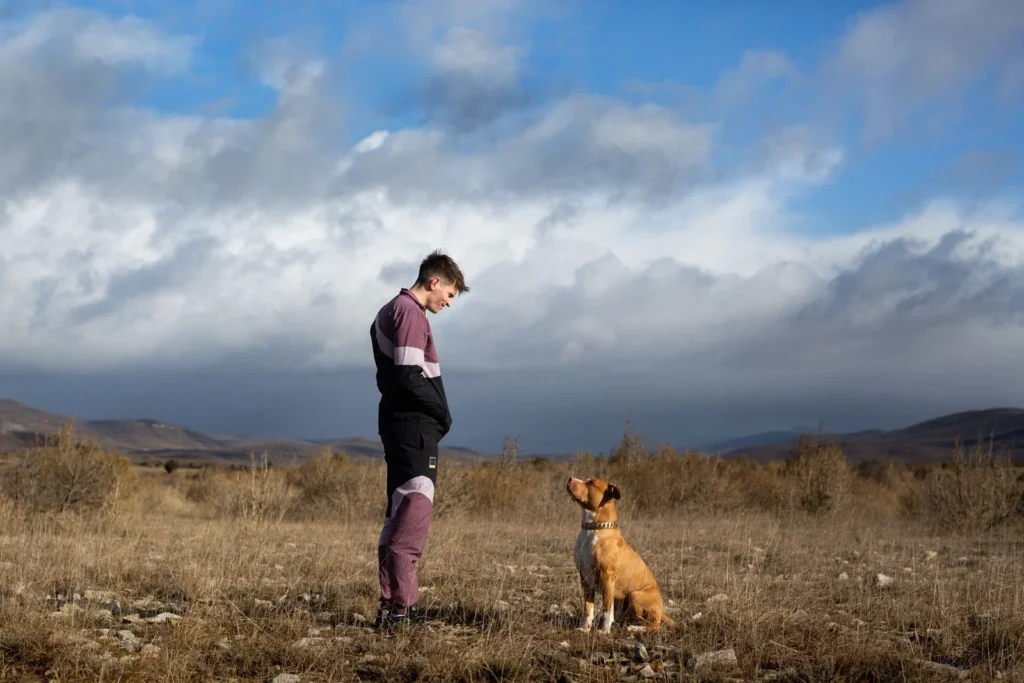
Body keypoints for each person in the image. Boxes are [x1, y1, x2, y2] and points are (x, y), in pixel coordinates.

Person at [369, 249, 470, 631]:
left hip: (401, 427)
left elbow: (392, 378)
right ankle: (402, 611)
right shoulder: (409, 312)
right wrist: (443, 414)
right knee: (412, 514)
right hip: (413, 430)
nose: (449, 302)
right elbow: (409, 376)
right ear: (435, 281)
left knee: (398, 514)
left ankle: (390, 607)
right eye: (450, 294)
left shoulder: (391, 310)